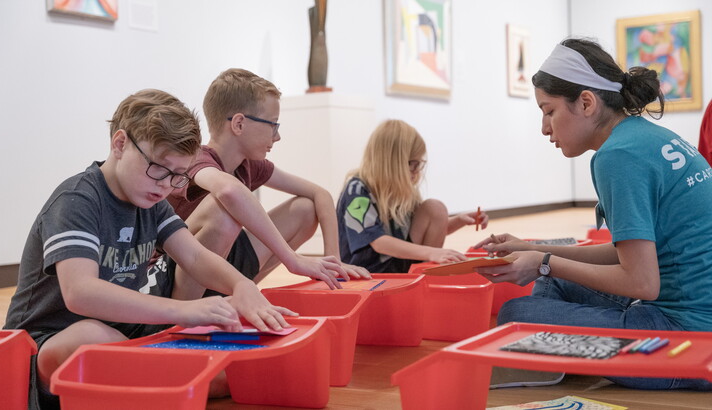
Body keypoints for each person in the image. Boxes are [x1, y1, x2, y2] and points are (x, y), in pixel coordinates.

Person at [3, 89, 296, 409]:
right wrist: (183, 311)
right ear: (120, 144)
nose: (166, 185)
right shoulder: (77, 200)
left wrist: (241, 285)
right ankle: (149, 372)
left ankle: (149, 372)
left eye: (177, 176)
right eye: (159, 169)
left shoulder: (150, 201)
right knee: (92, 338)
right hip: (46, 343)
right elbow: (81, 292)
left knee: (226, 378)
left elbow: (195, 256)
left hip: (123, 330)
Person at [474, 38, 712, 391]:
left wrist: (544, 261)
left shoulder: (617, 156)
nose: (544, 127)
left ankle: (553, 360)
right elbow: (628, 253)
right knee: (553, 281)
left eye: (549, 111)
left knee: (517, 317)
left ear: (586, 102)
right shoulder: (645, 136)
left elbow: (642, 283)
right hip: (691, 323)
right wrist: (534, 249)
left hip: (685, 347)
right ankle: (557, 360)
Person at [168, 68, 369, 299]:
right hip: (178, 274)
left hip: (223, 263)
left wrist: (335, 260)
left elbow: (319, 194)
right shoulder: (197, 159)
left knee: (305, 208)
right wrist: (292, 259)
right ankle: (188, 311)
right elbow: (229, 190)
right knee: (222, 209)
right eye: (273, 125)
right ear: (239, 124)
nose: (277, 136)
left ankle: (240, 293)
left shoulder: (250, 164)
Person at [337, 119, 489, 273]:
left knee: (435, 209)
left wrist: (459, 221)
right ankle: (422, 277)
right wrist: (431, 253)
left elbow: (425, 229)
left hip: (399, 265)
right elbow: (378, 242)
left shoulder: (401, 190)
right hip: (368, 272)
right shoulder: (357, 190)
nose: (417, 170)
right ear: (392, 163)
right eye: (413, 164)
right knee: (434, 210)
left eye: (419, 164)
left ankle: (424, 276)